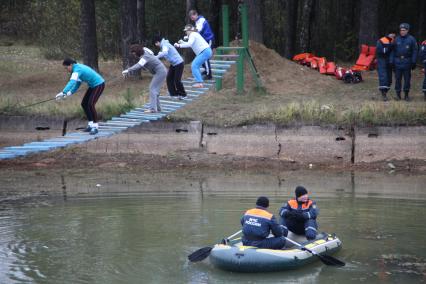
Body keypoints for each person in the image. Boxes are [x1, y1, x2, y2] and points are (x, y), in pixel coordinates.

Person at [55, 58, 105, 135]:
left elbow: (72, 82)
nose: (66, 70)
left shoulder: (77, 69)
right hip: (93, 86)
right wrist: (69, 93)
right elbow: (77, 84)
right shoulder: (76, 69)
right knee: (84, 104)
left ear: (71, 65)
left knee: (91, 104)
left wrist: (63, 92)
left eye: (66, 67)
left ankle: (95, 127)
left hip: (99, 84)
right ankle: (91, 125)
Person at [122, 44, 167, 113]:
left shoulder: (145, 57)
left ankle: (152, 109)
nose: (134, 55)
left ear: (137, 52)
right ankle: (158, 108)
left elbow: (138, 65)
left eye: (134, 53)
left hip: (160, 72)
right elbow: (146, 49)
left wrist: (128, 70)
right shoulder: (145, 51)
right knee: (155, 90)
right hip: (161, 71)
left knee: (152, 88)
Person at [390, 23, 418, 101]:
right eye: (401, 30)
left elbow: (415, 51)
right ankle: (398, 95)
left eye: (404, 30)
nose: (402, 32)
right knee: (398, 79)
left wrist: (413, 61)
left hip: (407, 62)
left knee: (407, 79)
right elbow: (392, 50)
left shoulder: (412, 39)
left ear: (407, 30)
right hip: (397, 62)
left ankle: (406, 95)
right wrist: (391, 61)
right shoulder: (396, 39)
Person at [153, 35, 187, 99]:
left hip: (179, 63)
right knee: (169, 78)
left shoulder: (165, 45)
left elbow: (165, 52)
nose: (156, 45)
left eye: (155, 44)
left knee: (177, 80)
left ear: (157, 42)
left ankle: (183, 94)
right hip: (174, 64)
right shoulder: (164, 44)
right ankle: (173, 93)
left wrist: (157, 56)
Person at [189, 9, 215, 80]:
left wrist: (190, 31)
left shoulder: (201, 20)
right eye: (191, 18)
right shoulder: (197, 22)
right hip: (204, 41)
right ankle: (206, 70)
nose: (192, 18)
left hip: (209, 39)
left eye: (193, 16)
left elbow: (199, 30)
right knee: (201, 54)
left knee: (205, 55)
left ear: (196, 14)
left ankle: (209, 74)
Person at [376, 33, 395, 101]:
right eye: (391, 34)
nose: (392, 36)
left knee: (389, 79)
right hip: (382, 60)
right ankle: (384, 94)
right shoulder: (381, 41)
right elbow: (380, 51)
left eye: (393, 35)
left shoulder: (395, 40)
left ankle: (385, 91)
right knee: (383, 77)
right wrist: (389, 46)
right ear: (388, 34)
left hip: (390, 61)